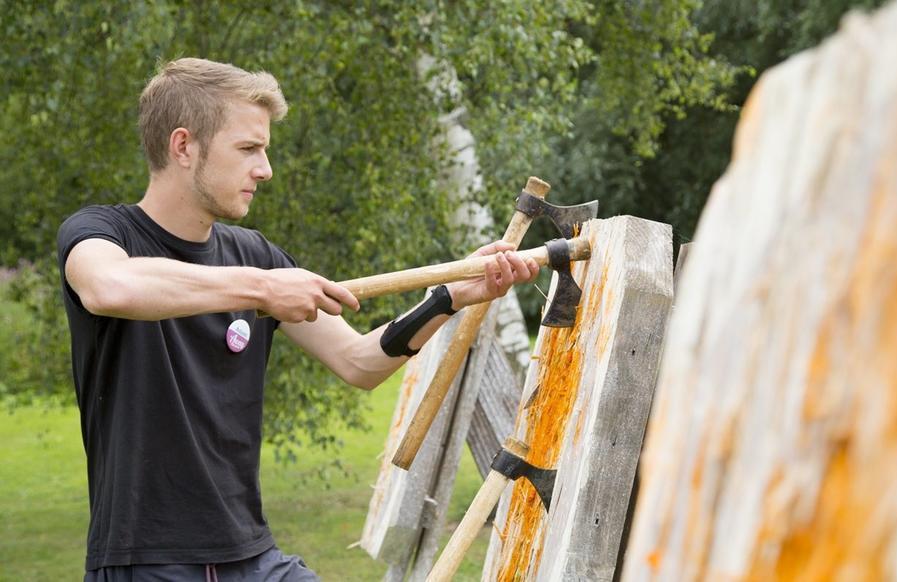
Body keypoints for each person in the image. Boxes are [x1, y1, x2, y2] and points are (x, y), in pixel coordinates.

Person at [57, 57, 539, 581]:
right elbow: (110, 287)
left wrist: (448, 297)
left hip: (254, 557)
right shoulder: (102, 233)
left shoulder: (254, 254)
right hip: (148, 562)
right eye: (247, 149)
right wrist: (263, 287)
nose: (264, 169)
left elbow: (358, 362)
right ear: (183, 146)